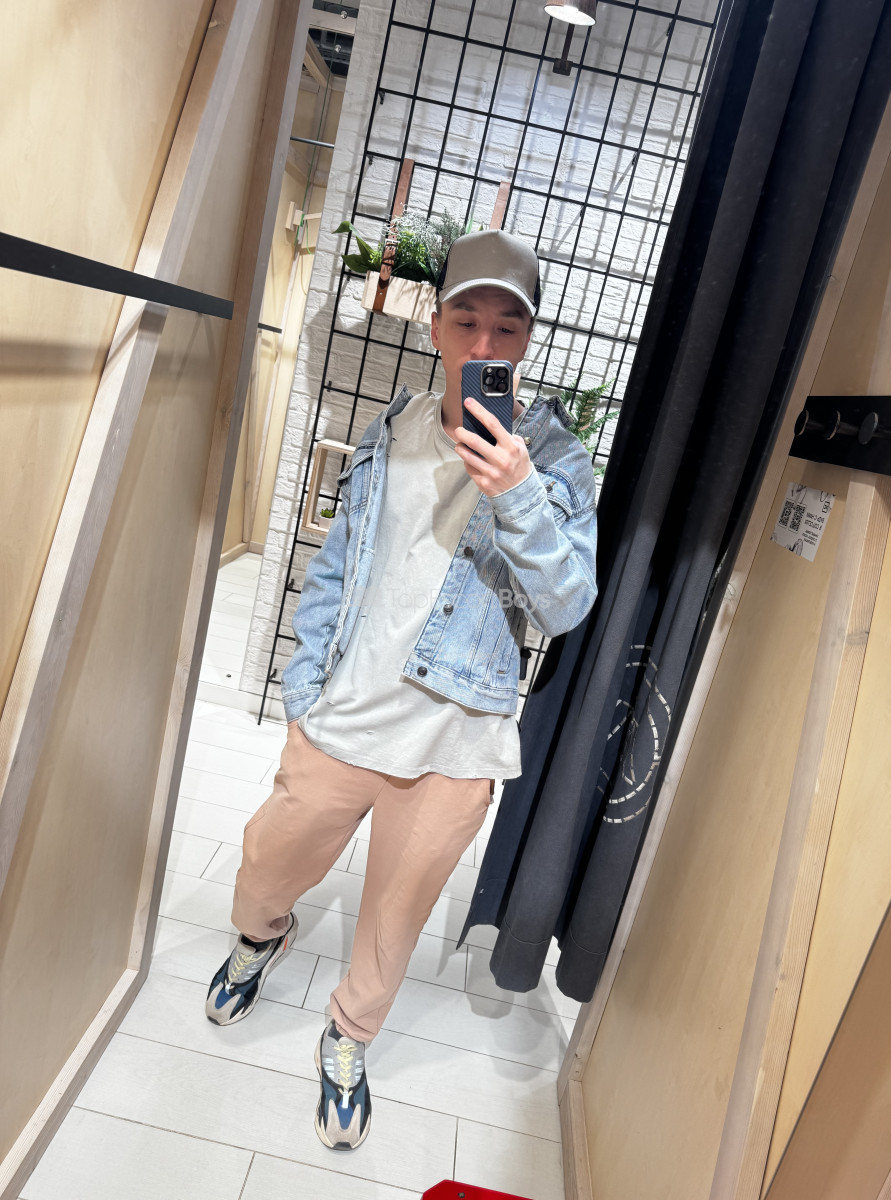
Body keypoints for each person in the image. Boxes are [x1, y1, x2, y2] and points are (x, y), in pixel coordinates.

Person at [205, 228, 599, 1151]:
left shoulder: (553, 459)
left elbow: (567, 605)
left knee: (393, 919)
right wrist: (305, 686)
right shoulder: (392, 429)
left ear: (528, 341)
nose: (486, 343)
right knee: (267, 864)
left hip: (455, 744)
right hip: (343, 714)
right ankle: (262, 936)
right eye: (467, 321)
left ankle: (350, 1034)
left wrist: (518, 493)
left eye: (508, 328)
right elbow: (337, 563)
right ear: (435, 327)